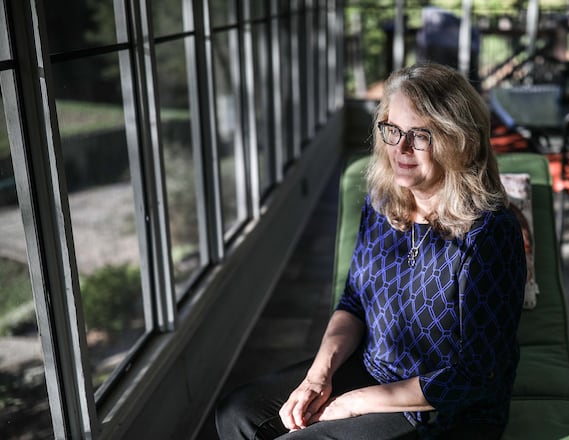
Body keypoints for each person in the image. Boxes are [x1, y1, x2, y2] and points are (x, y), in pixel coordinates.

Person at [215, 62, 527, 440]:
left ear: (460, 140)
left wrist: (354, 403)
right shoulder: (383, 202)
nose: (401, 149)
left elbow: (476, 376)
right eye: (393, 130)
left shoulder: (490, 233)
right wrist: (317, 377)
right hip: (374, 369)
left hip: (444, 409)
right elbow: (354, 302)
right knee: (238, 413)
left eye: (420, 135)